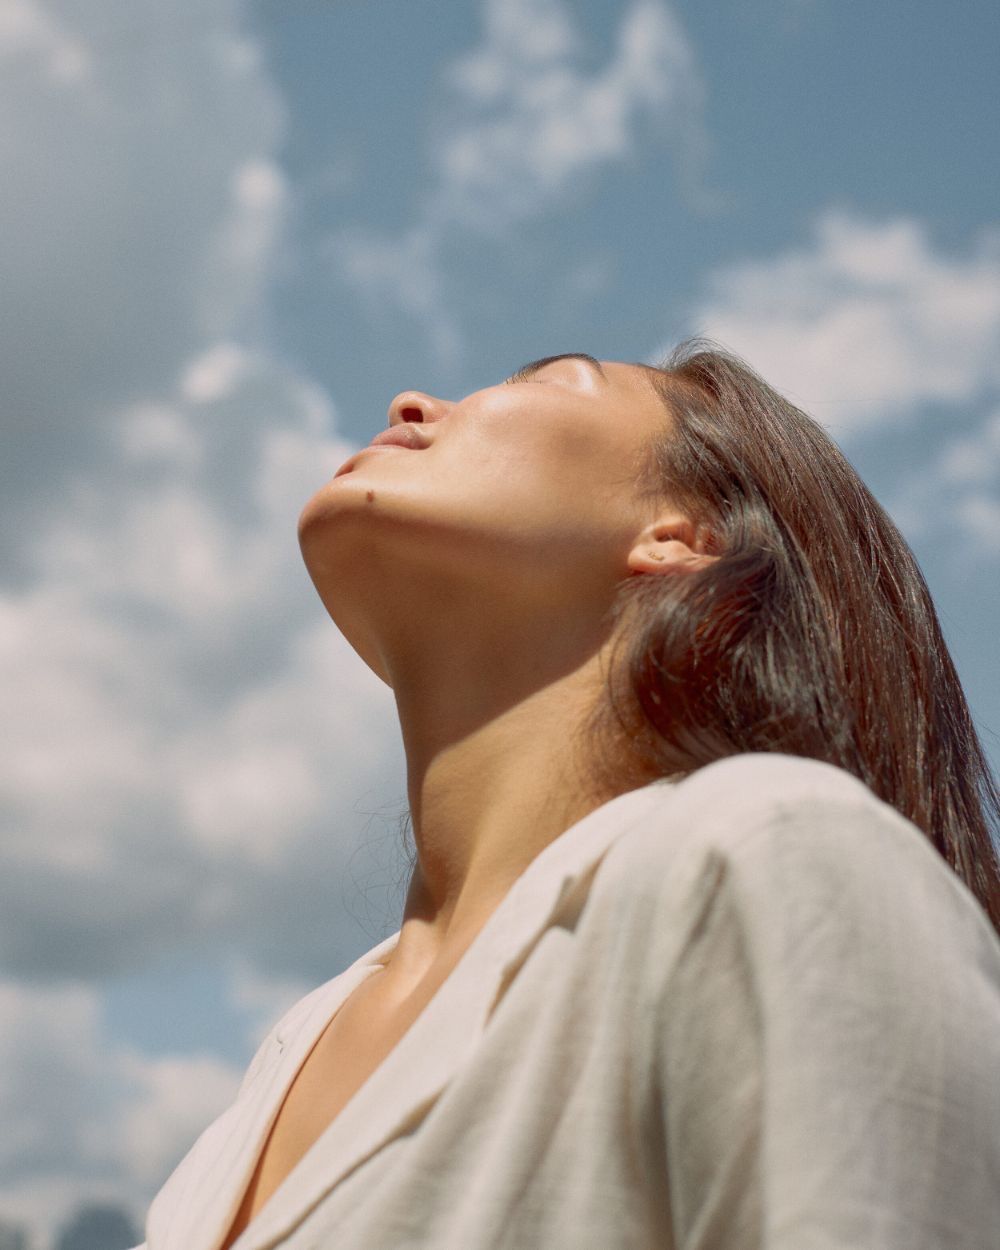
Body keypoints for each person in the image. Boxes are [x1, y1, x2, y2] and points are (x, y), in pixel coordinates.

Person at [134, 343, 1000, 1250]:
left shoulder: (764, 857)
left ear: (679, 537)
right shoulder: (286, 1053)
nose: (412, 400)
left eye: (545, 382)